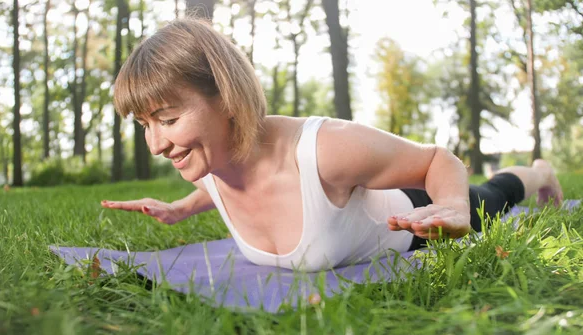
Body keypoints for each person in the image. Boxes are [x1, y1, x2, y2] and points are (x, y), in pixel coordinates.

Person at [101, 19, 563, 272]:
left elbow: (438, 161)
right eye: (145, 123)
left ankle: (539, 172)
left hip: (413, 212)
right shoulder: (214, 159)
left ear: (226, 97)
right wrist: (179, 209)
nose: (157, 143)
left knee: (492, 197)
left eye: (168, 119)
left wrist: (454, 207)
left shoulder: (324, 151)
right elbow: (221, 185)